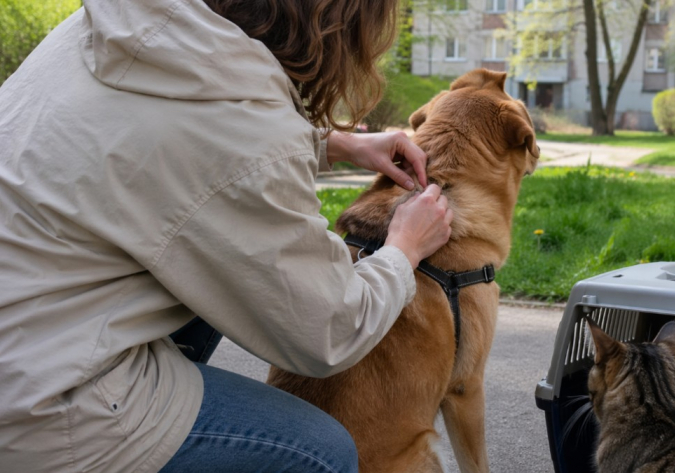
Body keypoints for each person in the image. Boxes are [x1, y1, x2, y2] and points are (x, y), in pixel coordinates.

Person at [0, 0, 453, 471]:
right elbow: (330, 331)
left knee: (220, 256)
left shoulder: (125, 24)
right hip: (40, 411)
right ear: (336, 31)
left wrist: (331, 143)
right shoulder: (237, 124)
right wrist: (404, 247)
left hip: (24, 334)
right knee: (321, 452)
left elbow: (169, 142)